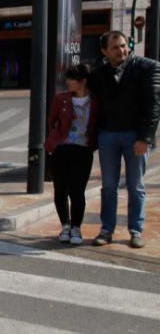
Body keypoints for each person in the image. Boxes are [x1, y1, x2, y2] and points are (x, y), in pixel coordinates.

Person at [89, 31, 160, 248]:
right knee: (108, 186)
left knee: (135, 186)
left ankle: (135, 230)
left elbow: (154, 106)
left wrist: (144, 138)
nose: (121, 50)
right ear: (104, 52)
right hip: (108, 135)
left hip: (134, 136)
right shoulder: (99, 73)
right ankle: (106, 229)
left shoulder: (147, 67)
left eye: (123, 46)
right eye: (115, 48)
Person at [45, 65, 98, 246]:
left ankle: (76, 227)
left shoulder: (95, 101)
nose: (67, 82)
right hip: (61, 149)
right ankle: (65, 226)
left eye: (71, 79)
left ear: (82, 81)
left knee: (77, 191)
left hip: (83, 150)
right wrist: (55, 141)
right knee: (60, 189)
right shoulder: (61, 99)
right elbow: (52, 121)